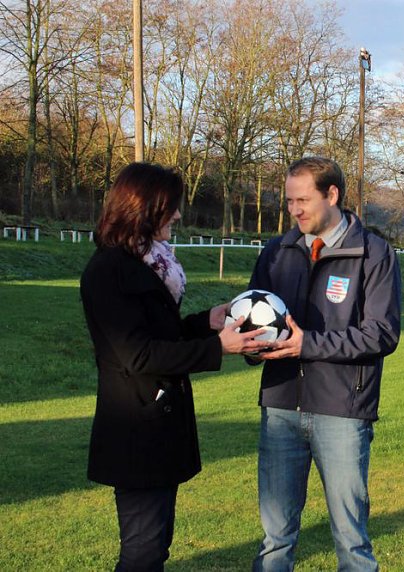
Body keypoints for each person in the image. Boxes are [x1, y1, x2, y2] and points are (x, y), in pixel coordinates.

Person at [80, 162, 267, 571]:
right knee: (144, 550)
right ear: (142, 209)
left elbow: (159, 334)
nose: (179, 215)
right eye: (171, 207)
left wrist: (207, 322)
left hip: (157, 429)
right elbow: (139, 355)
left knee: (155, 545)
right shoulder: (109, 271)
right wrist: (218, 348)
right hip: (136, 431)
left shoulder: (145, 263)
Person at [247, 156, 401, 571]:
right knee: (275, 541)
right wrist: (249, 345)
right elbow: (256, 318)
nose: (294, 210)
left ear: (332, 195)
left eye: (303, 200)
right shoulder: (278, 252)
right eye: (289, 201)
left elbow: (382, 334)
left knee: (351, 541)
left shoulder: (373, 253)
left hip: (342, 413)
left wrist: (306, 345)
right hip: (280, 407)